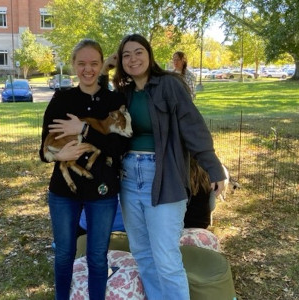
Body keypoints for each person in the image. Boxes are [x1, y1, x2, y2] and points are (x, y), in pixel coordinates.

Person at [100, 34, 226, 300]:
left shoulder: (170, 85)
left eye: (138, 52)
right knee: (143, 253)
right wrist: (105, 68)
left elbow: (193, 126)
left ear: (149, 55)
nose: (133, 59)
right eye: (126, 55)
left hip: (163, 175)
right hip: (129, 178)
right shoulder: (125, 93)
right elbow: (96, 102)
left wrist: (213, 167)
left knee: (166, 258)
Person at [39, 39, 130, 300]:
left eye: (93, 63)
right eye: (81, 63)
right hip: (63, 193)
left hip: (102, 191)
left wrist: (84, 130)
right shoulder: (61, 98)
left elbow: (119, 146)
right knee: (65, 254)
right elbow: (43, 149)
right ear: (73, 66)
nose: (87, 69)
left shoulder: (115, 100)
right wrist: (59, 154)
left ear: (101, 65)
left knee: (97, 257)